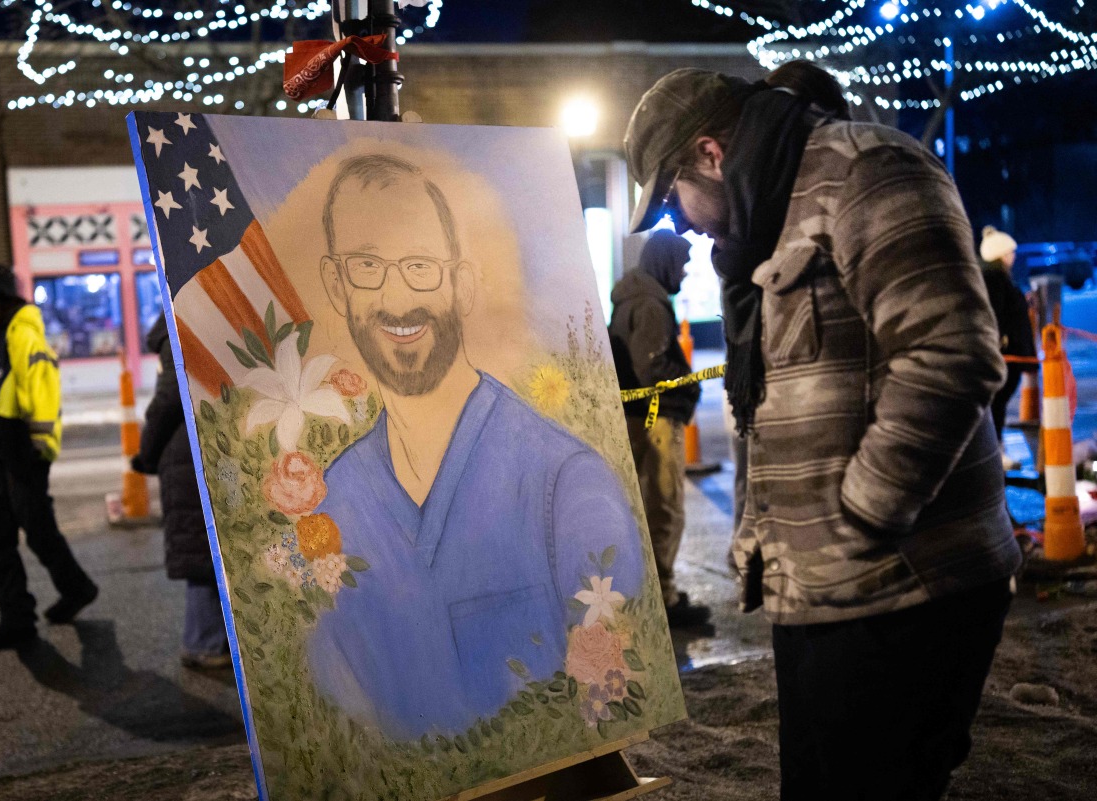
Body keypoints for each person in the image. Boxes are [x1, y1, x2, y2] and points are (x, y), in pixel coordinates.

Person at [624, 66, 1020, 800]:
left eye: (675, 201)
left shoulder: (868, 172)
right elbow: (786, 401)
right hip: (820, 589)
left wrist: (862, 515)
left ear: (710, 155)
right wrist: (767, 545)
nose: (685, 224)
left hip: (903, 585)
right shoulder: (773, 216)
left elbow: (951, 355)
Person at [307, 154, 645, 740]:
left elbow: (613, 702)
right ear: (337, 285)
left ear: (461, 285)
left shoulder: (568, 486)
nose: (395, 298)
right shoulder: (334, 499)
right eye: (367, 266)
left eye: (420, 266)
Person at [0, 261, 99, 652]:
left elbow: (40, 386)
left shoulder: (20, 328)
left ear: (1, 290)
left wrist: (38, 448)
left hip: (19, 449)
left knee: (37, 530)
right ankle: (16, 619)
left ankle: (77, 588)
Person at [608, 229, 709, 628]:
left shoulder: (631, 296)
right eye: (681, 264)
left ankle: (653, 594)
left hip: (638, 416)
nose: (683, 274)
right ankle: (663, 600)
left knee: (648, 510)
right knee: (664, 509)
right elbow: (652, 367)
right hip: (656, 418)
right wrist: (690, 386)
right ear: (665, 261)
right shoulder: (650, 303)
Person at [132, 314, 230, 670]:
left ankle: (204, 640)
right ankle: (205, 640)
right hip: (198, 453)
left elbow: (168, 401)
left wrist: (147, 454)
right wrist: (147, 454)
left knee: (201, 552)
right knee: (205, 551)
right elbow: (172, 399)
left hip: (186, 456)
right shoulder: (186, 327)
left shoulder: (175, 332)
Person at [979, 225, 1038, 468]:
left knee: (996, 404)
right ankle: (995, 453)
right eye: (1010, 252)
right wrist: (1001, 342)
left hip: (1008, 353)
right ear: (1001, 255)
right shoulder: (995, 281)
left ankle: (995, 451)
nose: (1013, 256)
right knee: (996, 404)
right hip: (1006, 354)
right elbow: (997, 315)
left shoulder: (995, 280)